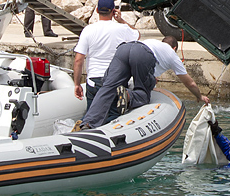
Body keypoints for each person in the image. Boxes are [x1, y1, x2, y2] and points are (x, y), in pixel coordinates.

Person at [77, 36, 210, 130]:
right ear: (174, 47)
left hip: (125, 48)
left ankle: (87, 123)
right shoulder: (172, 55)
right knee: (143, 94)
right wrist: (199, 96)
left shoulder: (153, 42)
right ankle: (127, 96)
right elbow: (190, 83)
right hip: (142, 54)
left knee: (108, 87)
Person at [73, 0, 140, 112]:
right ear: (113, 11)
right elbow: (137, 35)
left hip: (94, 81)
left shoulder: (88, 30)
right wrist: (121, 20)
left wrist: (77, 84)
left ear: (97, 10)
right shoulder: (121, 28)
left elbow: (78, 60)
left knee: (91, 115)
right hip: (115, 80)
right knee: (113, 115)